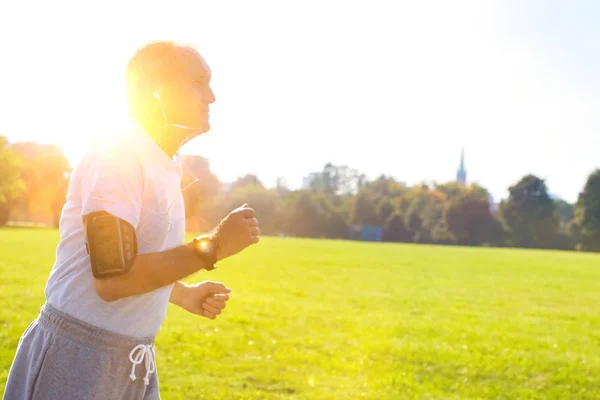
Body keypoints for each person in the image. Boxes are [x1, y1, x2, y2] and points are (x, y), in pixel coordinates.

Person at [3, 40, 260, 400]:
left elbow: (137, 258)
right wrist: (212, 247)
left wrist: (182, 295)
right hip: (78, 356)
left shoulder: (167, 164)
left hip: (133, 360)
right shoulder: (118, 155)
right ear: (151, 91)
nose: (211, 96)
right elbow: (112, 279)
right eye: (197, 82)